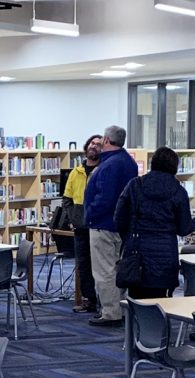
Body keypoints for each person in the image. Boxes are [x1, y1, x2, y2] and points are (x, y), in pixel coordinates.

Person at [115, 147, 195, 299]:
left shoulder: (135, 185)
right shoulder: (179, 191)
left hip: (137, 255)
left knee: (136, 303)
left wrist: (129, 237)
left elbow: (119, 218)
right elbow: (183, 228)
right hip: (165, 257)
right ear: (175, 166)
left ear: (153, 162)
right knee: (161, 304)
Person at [83, 125, 138, 327]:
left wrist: (90, 214)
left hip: (103, 224)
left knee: (104, 270)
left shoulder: (109, 165)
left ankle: (110, 311)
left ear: (106, 140)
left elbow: (105, 198)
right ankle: (119, 307)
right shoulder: (129, 163)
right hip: (122, 225)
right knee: (116, 268)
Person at [62, 134, 102, 314]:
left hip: (99, 226)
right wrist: (72, 219)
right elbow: (67, 199)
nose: (94, 146)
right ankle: (89, 299)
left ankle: (104, 300)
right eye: (92, 143)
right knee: (83, 264)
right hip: (80, 226)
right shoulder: (75, 172)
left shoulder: (103, 170)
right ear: (87, 146)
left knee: (101, 265)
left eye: (99, 145)